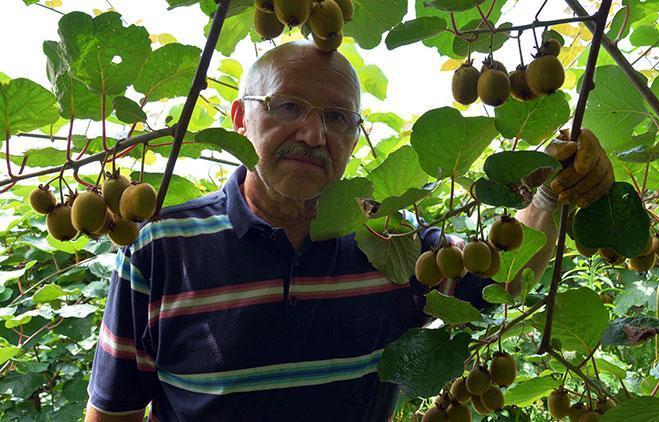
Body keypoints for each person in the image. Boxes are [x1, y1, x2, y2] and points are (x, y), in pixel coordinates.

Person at [84, 40, 609, 421]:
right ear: (241, 118)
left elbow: (503, 277)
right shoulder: (159, 246)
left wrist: (550, 193)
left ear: (355, 137)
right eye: (288, 106)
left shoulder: (388, 237)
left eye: (338, 118)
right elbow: (115, 412)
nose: (314, 134)